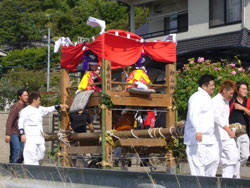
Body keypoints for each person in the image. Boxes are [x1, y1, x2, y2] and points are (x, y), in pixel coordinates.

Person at [18, 92, 68, 165]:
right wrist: (22, 134)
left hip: (39, 137)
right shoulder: (25, 111)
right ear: (34, 100)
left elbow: (49, 109)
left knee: (41, 152)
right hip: (30, 138)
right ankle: (31, 171)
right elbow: (20, 123)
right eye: (39, 100)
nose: (40, 101)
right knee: (30, 154)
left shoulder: (39, 109)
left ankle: (35, 166)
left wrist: (59, 106)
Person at [184, 74, 219, 176]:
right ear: (204, 86)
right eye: (211, 85)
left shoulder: (208, 98)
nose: (213, 87)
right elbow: (193, 115)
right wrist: (198, 130)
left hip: (209, 137)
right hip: (197, 137)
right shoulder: (196, 97)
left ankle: (208, 183)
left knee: (214, 160)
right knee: (198, 166)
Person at [212, 80, 239, 178]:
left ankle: (227, 180)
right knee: (214, 161)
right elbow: (217, 118)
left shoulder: (226, 101)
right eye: (231, 93)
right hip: (217, 136)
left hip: (226, 136)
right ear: (224, 90)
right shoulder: (215, 101)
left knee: (233, 157)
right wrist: (228, 130)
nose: (232, 96)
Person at [229, 81, 250, 178]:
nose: (245, 91)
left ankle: (234, 169)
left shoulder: (248, 101)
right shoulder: (231, 101)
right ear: (237, 90)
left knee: (245, 155)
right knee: (236, 154)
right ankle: (236, 175)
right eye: (243, 89)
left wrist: (242, 108)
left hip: (244, 131)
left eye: (246, 89)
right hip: (233, 130)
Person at [5, 89, 29, 163]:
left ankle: (17, 169)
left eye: (27, 95)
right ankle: (13, 168)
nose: (27, 97)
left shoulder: (26, 107)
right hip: (14, 132)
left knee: (22, 152)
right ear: (19, 96)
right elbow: (10, 120)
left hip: (22, 134)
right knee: (16, 149)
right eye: (25, 95)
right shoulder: (16, 106)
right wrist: (7, 134)